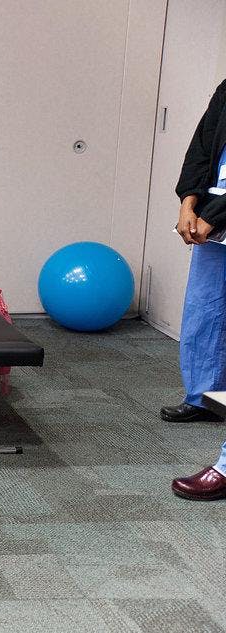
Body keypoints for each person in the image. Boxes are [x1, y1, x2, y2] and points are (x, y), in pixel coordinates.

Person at [169, 78, 226, 499]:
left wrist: (217, 213)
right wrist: (189, 201)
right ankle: (207, 398)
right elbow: (202, 147)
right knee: (205, 314)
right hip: (212, 222)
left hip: (218, 217)